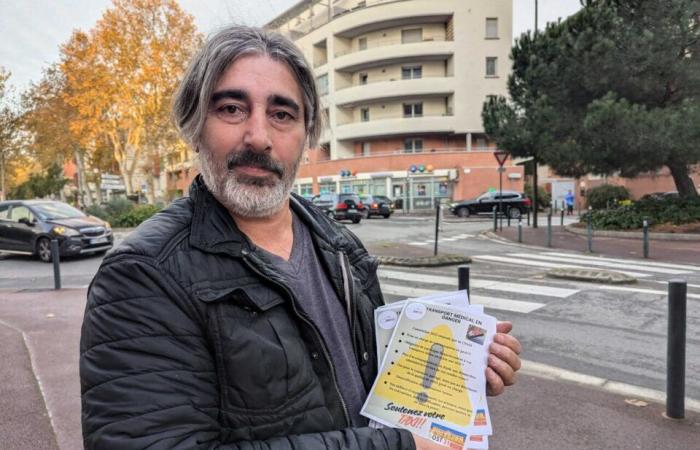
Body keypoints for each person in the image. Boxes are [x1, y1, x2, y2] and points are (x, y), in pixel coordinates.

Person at [79, 26, 522, 450]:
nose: (259, 136)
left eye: (282, 114)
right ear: (194, 126)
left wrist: (457, 375)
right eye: (231, 109)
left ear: (307, 136)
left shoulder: (339, 246)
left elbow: (378, 384)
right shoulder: (143, 275)